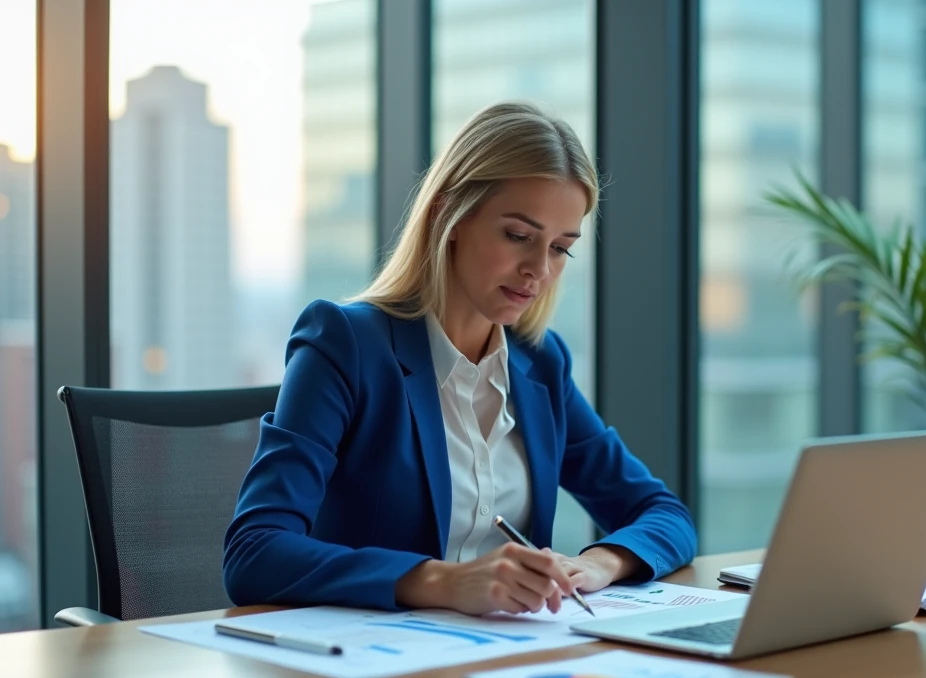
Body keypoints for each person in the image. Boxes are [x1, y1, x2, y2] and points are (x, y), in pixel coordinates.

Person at [223, 101, 697, 616]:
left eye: (561, 248)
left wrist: (603, 562)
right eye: (518, 236)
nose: (538, 268)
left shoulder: (540, 365)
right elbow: (254, 551)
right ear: (450, 216)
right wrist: (443, 582)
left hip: (508, 664)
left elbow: (664, 514)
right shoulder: (346, 343)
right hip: (374, 670)